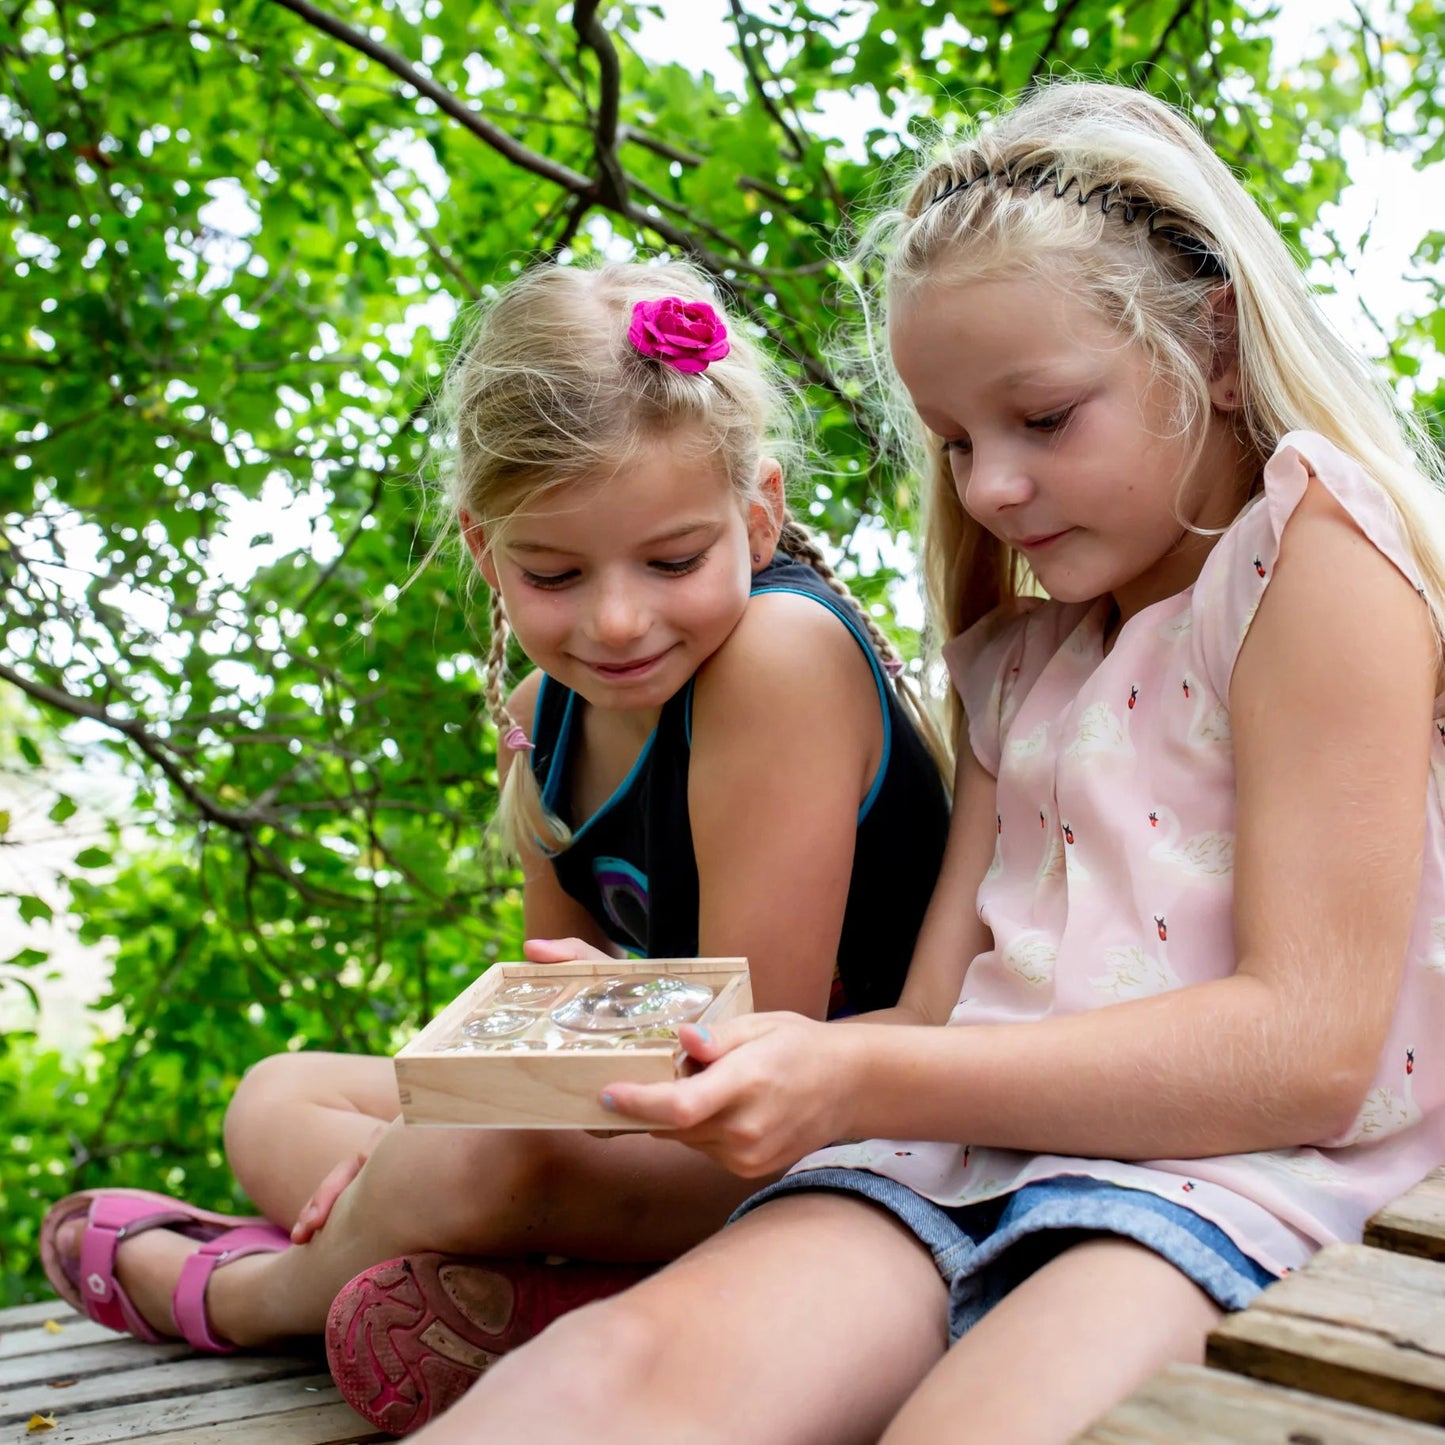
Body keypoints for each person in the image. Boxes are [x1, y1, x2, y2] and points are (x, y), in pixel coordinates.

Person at [401, 81, 1445, 1445]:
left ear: (1217, 350)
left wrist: (856, 1080)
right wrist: (729, 1048)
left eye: (1044, 418)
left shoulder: (1308, 558)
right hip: (944, 1164)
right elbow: (936, 1020)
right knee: (595, 1382)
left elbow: (1306, 1050)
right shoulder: (1020, 663)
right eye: (955, 440)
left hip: (1231, 1180)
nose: (990, 487)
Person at [36, 260, 952, 1434]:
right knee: (277, 1095)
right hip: (655, 1123)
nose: (615, 620)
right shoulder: (544, 708)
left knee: (460, 1161)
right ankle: (506, 1274)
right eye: (552, 573)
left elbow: (748, 1062)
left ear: (758, 512)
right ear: (483, 547)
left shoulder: (778, 658)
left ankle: (255, 1291)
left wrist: (425, 1156)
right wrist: (467, 1107)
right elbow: (545, 1025)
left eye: (671, 560)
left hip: (824, 1139)